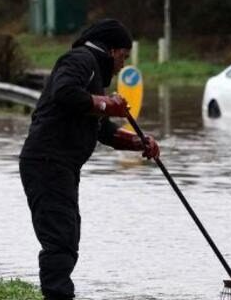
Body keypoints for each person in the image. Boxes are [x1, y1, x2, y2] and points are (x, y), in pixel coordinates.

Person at [18, 18, 161, 300]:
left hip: (62, 166)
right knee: (60, 239)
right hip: (47, 162)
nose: (122, 64)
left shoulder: (95, 74)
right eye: (123, 56)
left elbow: (102, 130)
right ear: (111, 50)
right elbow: (64, 93)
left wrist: (137, 142)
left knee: (68, 235)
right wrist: (107, 105)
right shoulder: (80, 60)